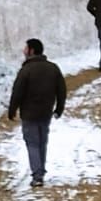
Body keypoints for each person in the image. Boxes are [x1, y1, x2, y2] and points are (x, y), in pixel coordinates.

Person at [7, 38, 65, 187]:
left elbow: (17, 92)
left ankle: (37, 175)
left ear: (32, 51)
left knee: (32, 143)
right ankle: (40, 171)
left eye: (25, 48)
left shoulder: (26, 70)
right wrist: (59, 109)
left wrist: (12, 110)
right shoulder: (53, 68)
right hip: (46, 112)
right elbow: (61, 90)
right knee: (42, 142)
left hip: (29, 113)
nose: (23, 51)